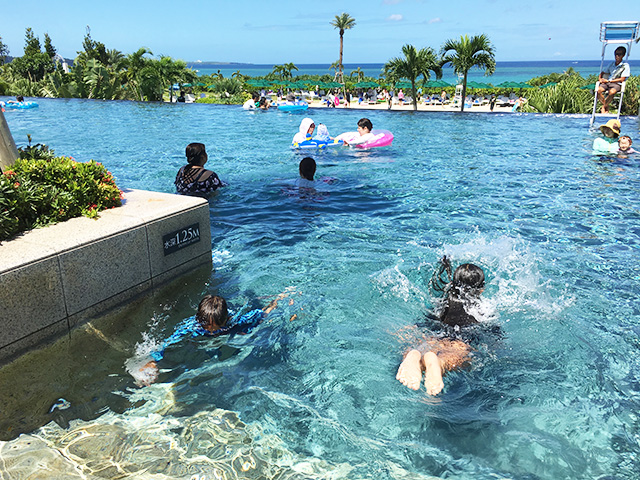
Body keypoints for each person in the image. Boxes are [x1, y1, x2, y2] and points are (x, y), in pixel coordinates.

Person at [132, 292, 290, 385]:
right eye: (207, 326)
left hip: (231, 330)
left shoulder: (232, 322)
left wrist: (274, 305)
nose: (211, 330)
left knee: (257, 321)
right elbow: (168, 342)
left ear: (224, 321)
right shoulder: (194, 326)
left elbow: (257, 315)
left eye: (214, 327)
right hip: (199, 338)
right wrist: (153, 361)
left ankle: (277, 300)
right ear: (200, 319)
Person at [396, 258, 487, 395]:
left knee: (424, 344)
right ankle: (439, 363)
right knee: (457, 358)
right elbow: (489, 330)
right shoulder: (482, 310)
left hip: (435, 332)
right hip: (462, 338)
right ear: (481, 289)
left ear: (453, 283)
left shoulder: (441, 303)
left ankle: (413, 354)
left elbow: (426, 320)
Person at [597, 46, 630, 114]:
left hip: (617, 84)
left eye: (619, 54)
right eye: (616, 54)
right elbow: (603, 72)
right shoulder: (611, 64)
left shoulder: (625, 66)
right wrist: (600, 78)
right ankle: (606, 105)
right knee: (598, 90)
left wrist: (609, 81)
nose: (617, 56)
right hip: (608, 82)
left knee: (612, 92)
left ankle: (604, 106)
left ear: (623, 55)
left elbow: (622, 79)